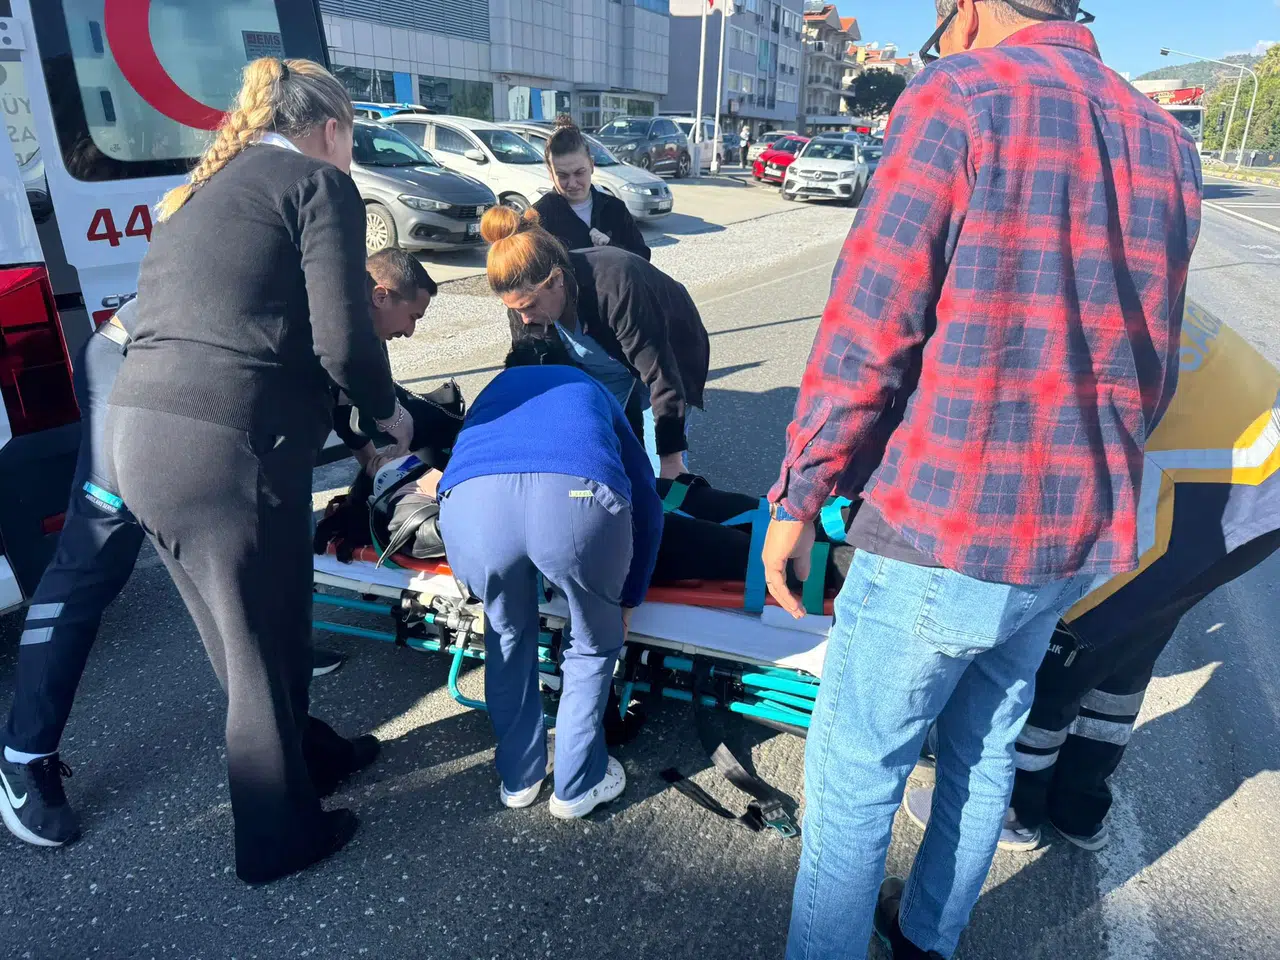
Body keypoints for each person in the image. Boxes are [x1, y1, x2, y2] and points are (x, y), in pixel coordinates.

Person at [759, 3, 1202, 958]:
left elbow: (871, 326)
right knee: (985, 751)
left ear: (964, 8)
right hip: (1071, 534)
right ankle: (928, 940)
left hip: (943, 522)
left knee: (858, 774)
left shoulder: (959, 97)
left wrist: (799, 493)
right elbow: (1155, 363)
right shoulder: (1166, 139)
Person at [0, 247, 422, 847]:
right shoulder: (331, 295)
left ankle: (298, 742)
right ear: (381, 294)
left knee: (253, 556)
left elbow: (331, 400)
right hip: (131, 367)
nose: (410, 333)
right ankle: (24, 754)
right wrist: (383, 428)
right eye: (412, 317)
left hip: (195, 382)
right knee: (97, 556)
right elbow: (347, 385)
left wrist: (372, 457)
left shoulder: (340, 305)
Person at [105, 57, 411, 885]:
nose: (351, 155)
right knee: (257, 644)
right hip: (223, 446)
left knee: (247, 630)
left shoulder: (203, 191)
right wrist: (387, 415)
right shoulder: (317, 183)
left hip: (140, 437)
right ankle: (278, 838)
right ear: (332, 129)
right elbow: (344, 339)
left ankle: (307, 755)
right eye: (352, 139)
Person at [904, 308, 1280, 853]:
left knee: (1065, 635)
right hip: (1256, 487)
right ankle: (1079, 808)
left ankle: (1012, 806)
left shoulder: (1057, 321)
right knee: (1131, 641)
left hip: (1208, 487)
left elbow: (1044, 457)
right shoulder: (1117, 285)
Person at [436, 341, 663, 818]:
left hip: (473, 508)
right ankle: (579, 785)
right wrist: (628, 598)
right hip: (576, 501)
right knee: (593, 645)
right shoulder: (589, 386)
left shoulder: (493, 390)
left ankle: (519, 779)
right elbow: (646, 497)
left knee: (506, 635)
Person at [481, 205, 709, 479]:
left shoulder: (616, 285)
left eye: (529, 306)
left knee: (658, 461)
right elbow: (530, 377)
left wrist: (670, 462)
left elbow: (661, 376)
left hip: (668, 347)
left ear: (557, 279)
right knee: (593, 436)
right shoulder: (522, 303)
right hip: (606, 354)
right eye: (515, 309)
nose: (525, 319)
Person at [533, 115, 650, 261]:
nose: (572, 183)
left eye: (579, 173)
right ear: (551, 173)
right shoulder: (539, 217)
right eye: (562, 176)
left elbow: (643, 257)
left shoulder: (615, 209)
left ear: (591, 165)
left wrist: (612, 248)